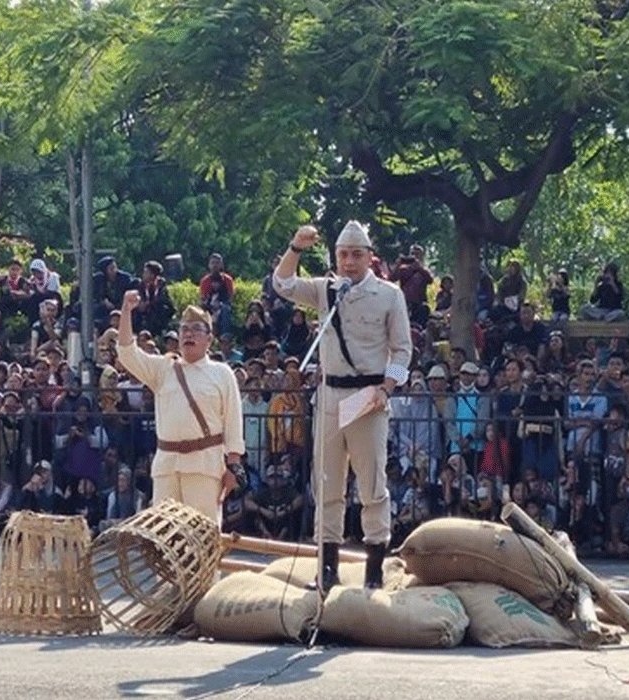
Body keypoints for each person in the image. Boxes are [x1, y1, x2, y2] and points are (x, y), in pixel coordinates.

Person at [273, 221, 413, 589]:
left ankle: (373, 572)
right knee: (327, 484)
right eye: (342, 255)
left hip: (367, 396)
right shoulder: (326, 290)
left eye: (356, 255)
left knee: (372, 486)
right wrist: (296, 247)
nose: (349, 262)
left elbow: (403, 350)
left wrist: (388, 387)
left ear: (369, 257)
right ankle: (327, 570)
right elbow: (282, 284)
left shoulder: (389, 295)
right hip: (330, 394)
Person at [116, 294, 244, 525]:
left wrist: (233, 465)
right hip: (167, 466)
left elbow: (233, 422)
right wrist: (126, 311)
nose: (188, 334)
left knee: (202, 532)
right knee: (164, 535)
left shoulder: (222, 374)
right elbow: (127, 353)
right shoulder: (164, 368)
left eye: (196, 329)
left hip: (204, 466)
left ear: (209, 339)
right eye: (184, 329)